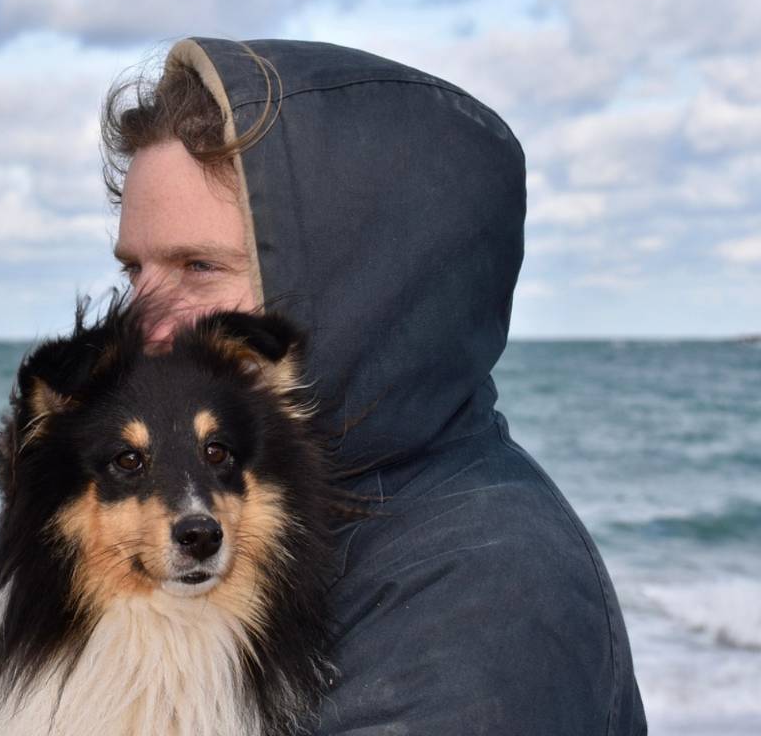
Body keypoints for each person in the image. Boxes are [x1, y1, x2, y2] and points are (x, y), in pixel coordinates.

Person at [102, 37, 647, 735]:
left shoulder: (484, 587)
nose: (139, 327)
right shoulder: (276, 515)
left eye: (198, 268)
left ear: (364, 288)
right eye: (134, 274)